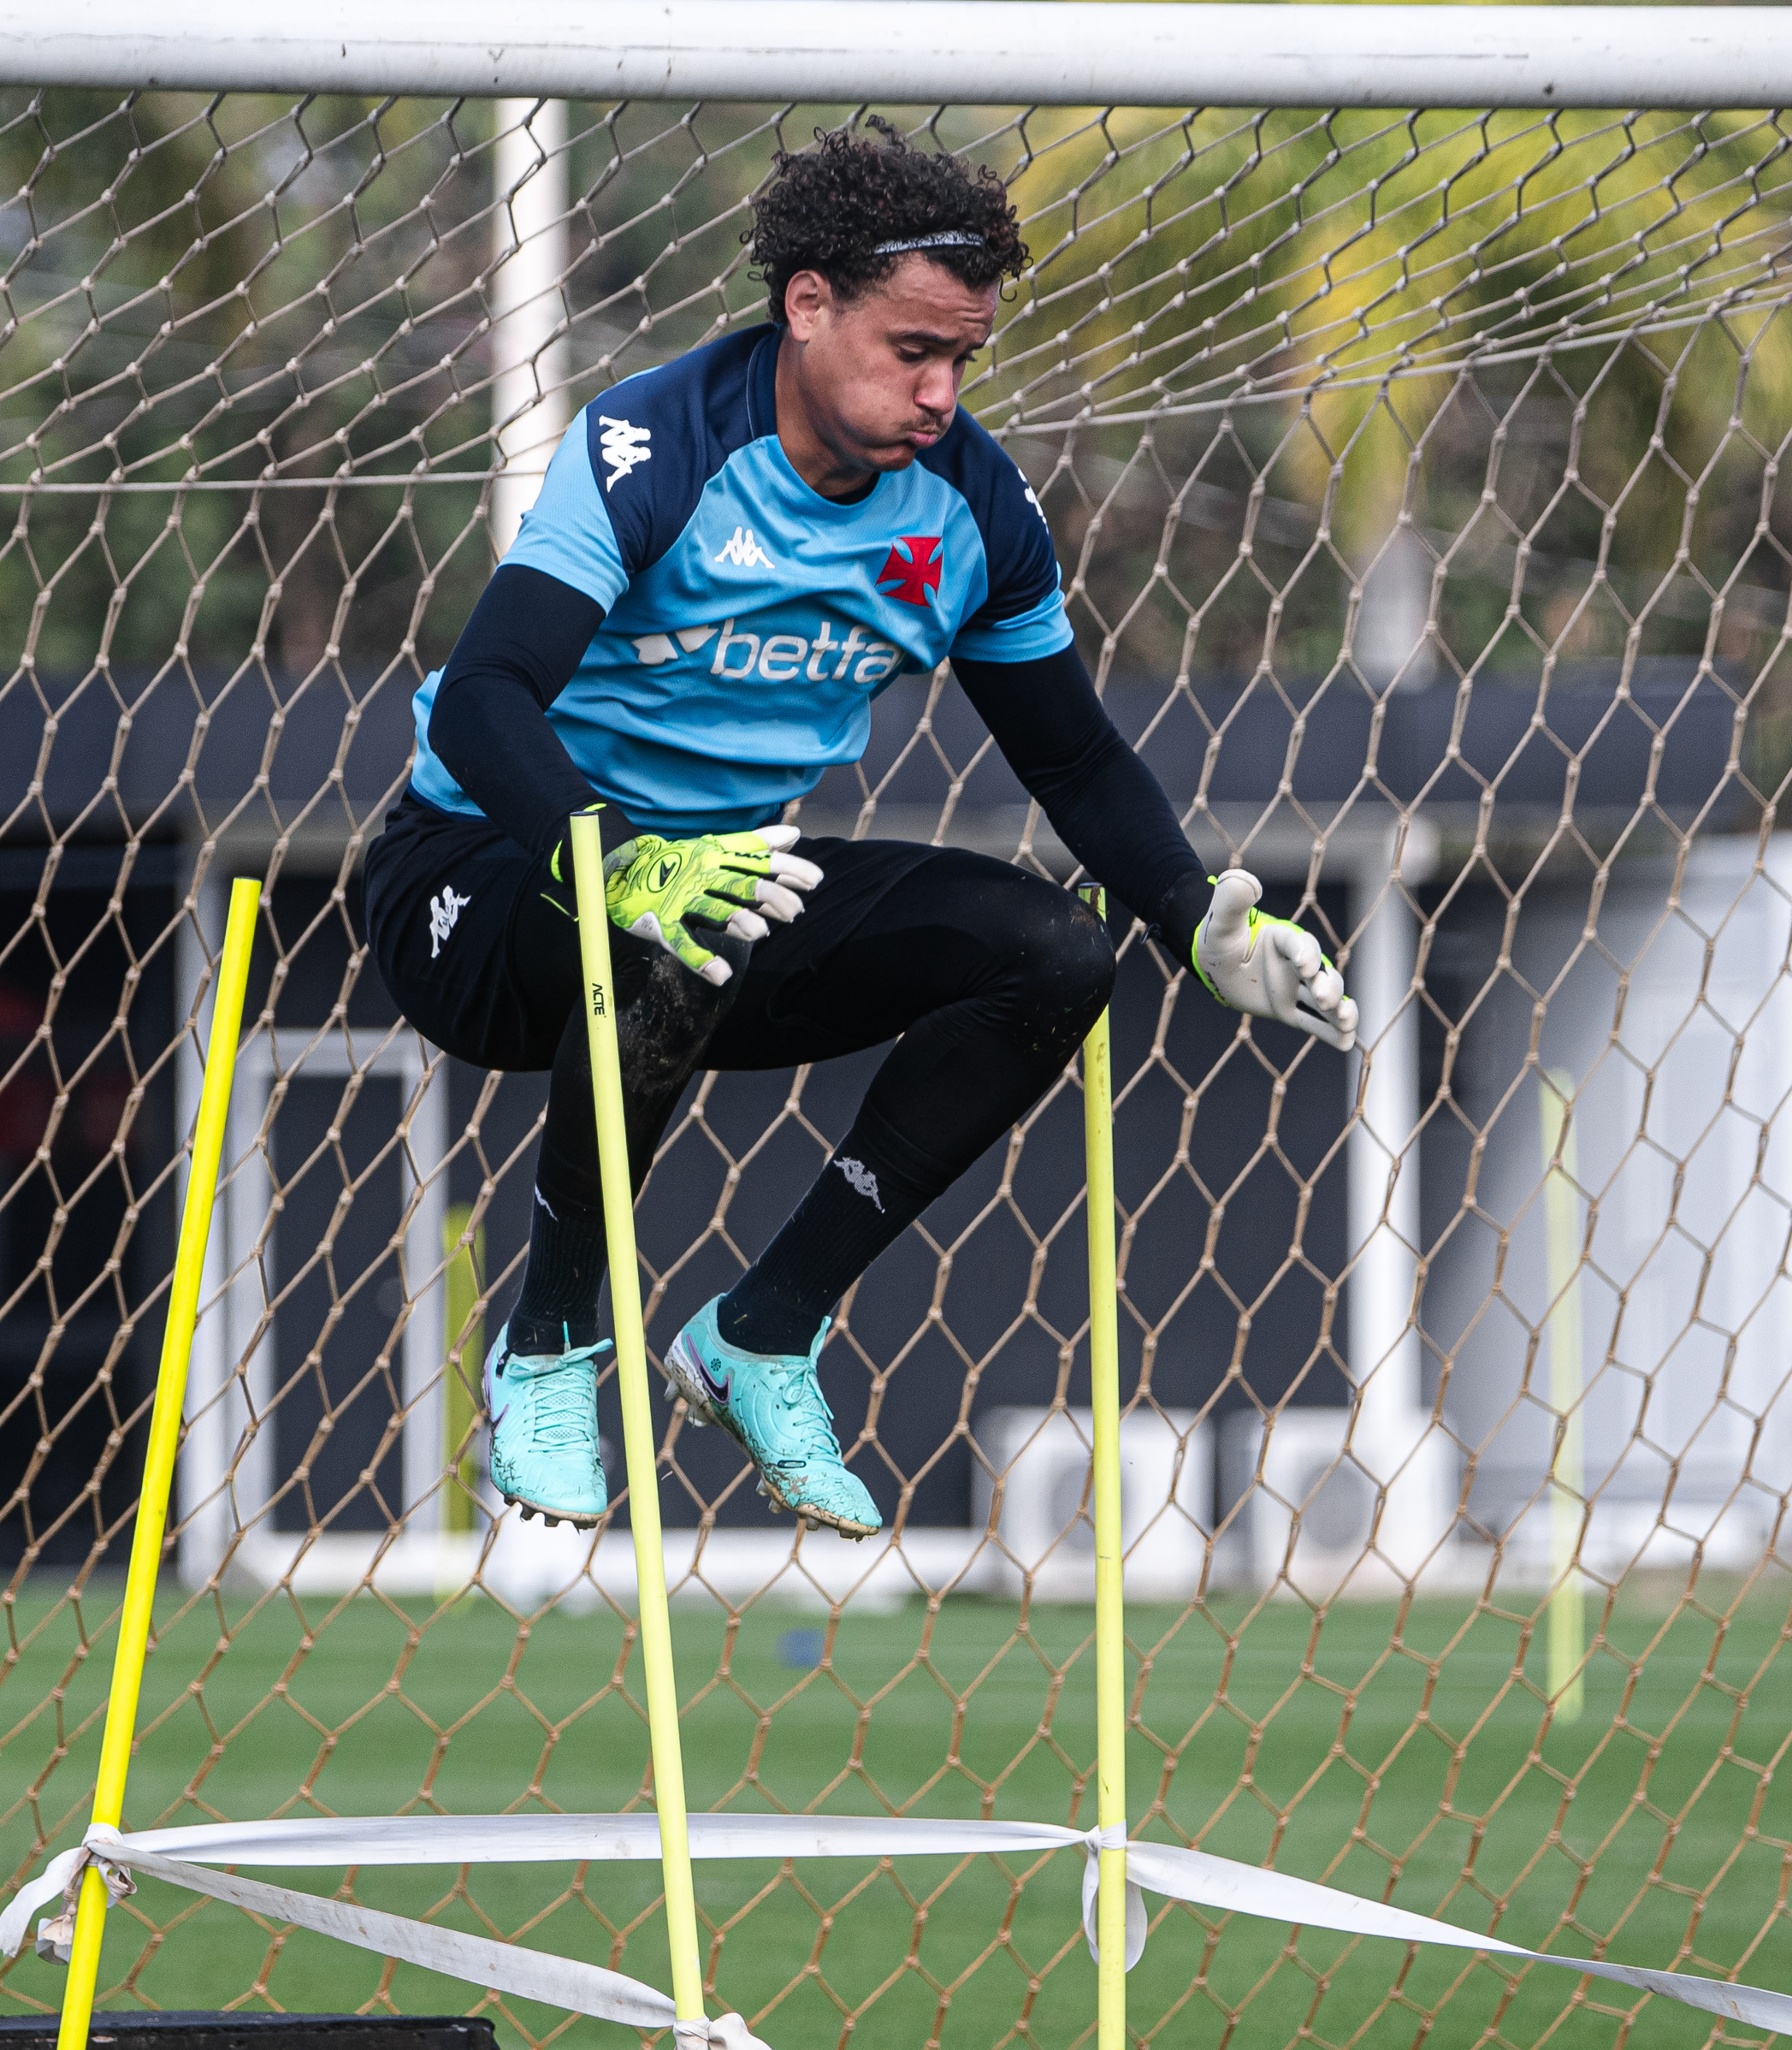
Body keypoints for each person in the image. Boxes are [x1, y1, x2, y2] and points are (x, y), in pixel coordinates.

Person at [362, 120, 1357, 1541]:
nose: (941, 392)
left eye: (965, 359)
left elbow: (1070, 757)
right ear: (809, 304)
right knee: (685, 916)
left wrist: (1199, 922)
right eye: (913, 350)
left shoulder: (975, 509)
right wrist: (625, 859)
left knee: (1054, 955)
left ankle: (762, 1332)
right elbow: (483, 702)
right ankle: (553, 1345)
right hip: (481, 883)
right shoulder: (655, 443)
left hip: (718, 909)